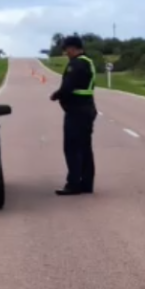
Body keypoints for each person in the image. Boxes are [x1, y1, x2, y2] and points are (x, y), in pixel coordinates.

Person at [49, 35, 97, 195]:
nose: (66, 52)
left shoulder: (76, 65)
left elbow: (68, 87)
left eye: (66, 49)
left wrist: (56, 95)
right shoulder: (88, 62)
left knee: (72, 148)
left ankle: (74, 184)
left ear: (73, 48)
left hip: (77, 111)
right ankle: (86, 183)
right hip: (88, 108)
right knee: (85, 148)